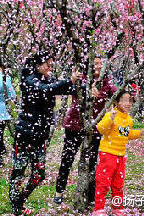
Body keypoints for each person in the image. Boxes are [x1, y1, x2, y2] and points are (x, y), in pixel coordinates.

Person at [9, 51, 82, 216]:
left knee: (39, 174)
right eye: (47, 64)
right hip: (25, 135)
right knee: (18, 173)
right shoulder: (30, 81)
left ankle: (19, 201)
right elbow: (46, 90)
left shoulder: (46, 79)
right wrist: (68, 80)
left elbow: (65, 88)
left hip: (39, 136)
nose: (50, 66)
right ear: (37, 66)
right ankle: (16, 208)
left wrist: (83, 87)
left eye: (51, 63)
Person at [54, 56, 117, 206]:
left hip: (95, 128)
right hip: (75, 124)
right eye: (95, 63)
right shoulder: (81, 78)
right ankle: (59, 191)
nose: (98, 66)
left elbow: (117, 96)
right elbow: (66, 89)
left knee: (92, 162)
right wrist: (77, 82)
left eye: (101, 63)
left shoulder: (107, 83)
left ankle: (90, 195)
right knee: (67, 158)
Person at [93, 90, 144, 216]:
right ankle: (98, 209)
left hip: (121, 155)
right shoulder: (111, 114)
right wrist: (111, 119)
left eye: (130, 100)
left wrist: (141, 133)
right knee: (103, 182)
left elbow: (127, 134)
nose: (128, 103)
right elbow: (101, 129)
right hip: (107, 154)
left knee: (118, 184)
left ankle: (117, 208)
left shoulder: (128, 119)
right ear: (116, 101)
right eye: (124, 100)